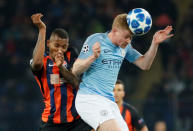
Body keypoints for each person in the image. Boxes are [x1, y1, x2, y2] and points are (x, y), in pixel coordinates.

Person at [72, 12, 173, 131]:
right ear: (115, 31)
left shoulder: (124, 47)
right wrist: (92, 57)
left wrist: (155, 43)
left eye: (131, 37)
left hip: (109, 101)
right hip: (89, 98)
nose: (129, 41)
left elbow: (144, 64)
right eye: (126, 36)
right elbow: (75, 70)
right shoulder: (96, 39)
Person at [30, 13, 92, 131]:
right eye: (56, 45)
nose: (60, 50)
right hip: (52, 122)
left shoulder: (71, 55)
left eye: (63, 47)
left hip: (77, 121)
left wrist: (61, 68)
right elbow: (36, 64)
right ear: (48, 44)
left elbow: (76, 83)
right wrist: (42, 29)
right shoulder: (42, 59)